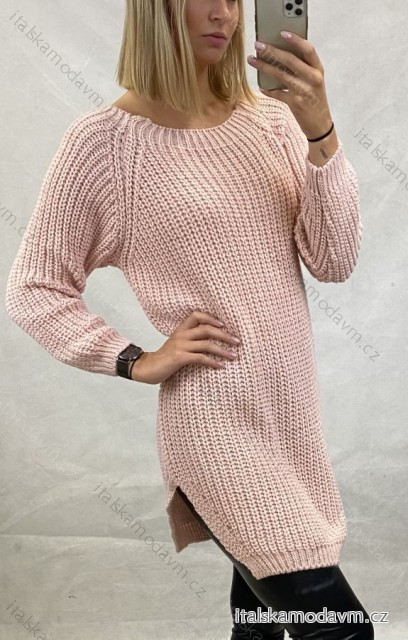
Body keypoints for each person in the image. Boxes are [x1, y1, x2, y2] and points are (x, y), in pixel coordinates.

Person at [5, 1, 374, 639]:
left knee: (261, 628)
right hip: (214, 431)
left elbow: (334, 259)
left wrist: (321, 134)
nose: (223, 13)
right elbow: (35, 288)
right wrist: (134, 359)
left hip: (290, 425)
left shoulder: (272, 123)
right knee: (341, 630)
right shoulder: (105, 147)